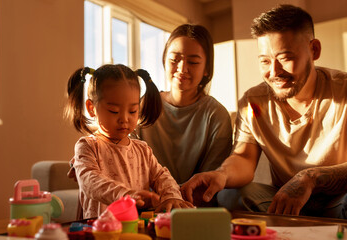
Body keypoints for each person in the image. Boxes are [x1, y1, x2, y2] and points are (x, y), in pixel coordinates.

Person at [181, 4, 347, 219]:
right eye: (265, 61)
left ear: (314, 50)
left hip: (340, 200)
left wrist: (311, 177)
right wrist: (220, 175)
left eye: (285, 58)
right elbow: (243, 158)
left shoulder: (342, 90)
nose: (274, 72)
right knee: (229, 196)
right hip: (284, 202)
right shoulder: (253, 102)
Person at [65, 64, 193, 219]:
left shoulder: (142, 149)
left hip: (138, 227)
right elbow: (90, 181)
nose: (124, 119)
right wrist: (124, 195)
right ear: (91, 108)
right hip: (101, 229)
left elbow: (161, 176)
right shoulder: (88, 146)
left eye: (133, 111)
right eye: (114, 111)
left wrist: (172, 196)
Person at [134, 24, 233, 187]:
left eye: (193, 62)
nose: (182, 68)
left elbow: (210, 179)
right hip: (147, 201)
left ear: (206, 69)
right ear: (164, 61)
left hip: (194, 204)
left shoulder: (216, 115)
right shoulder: (143, 105)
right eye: (174, 59)